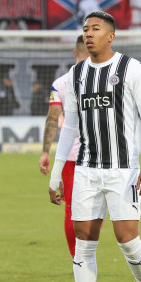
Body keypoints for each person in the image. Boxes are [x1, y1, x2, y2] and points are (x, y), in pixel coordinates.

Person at [47, 11, 141, 282]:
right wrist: (56, 174)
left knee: (127, 239)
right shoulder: (76, 74)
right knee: (84, 239)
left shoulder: (131, 68)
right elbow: (69, 127)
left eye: (95, 28)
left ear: (111, 36)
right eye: (85, 29)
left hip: (123, 168)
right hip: (86, 168)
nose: (89, 34)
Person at [38, 35, 90, 258]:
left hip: (71, 156)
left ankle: (77, 258)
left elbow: (52, 118)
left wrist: (45, 152)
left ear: (73, 52)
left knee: (71, 208)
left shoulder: (60, 83)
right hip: (102, 155)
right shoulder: (104, 80)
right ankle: (86, 255)